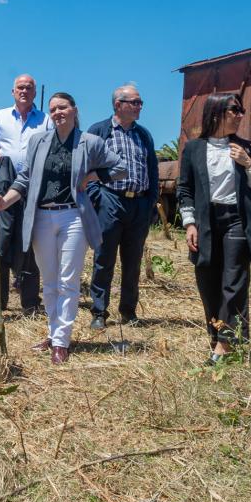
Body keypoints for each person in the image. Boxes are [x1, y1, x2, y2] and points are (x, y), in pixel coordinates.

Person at [0, 92, 126, 364]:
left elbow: (120, 167)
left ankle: (62, 341)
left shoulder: (90, 142)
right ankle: (54, 334)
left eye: (62, 107)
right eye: (52, 109)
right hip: (41, 216)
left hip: (73, 217)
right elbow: (25, 179)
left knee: (68, 280)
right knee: (49, 282)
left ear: (74, 109)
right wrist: (4, 201)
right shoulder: (38, 141)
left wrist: (94, 175)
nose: (57, 113)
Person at [177, 94, 251, 363]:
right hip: (205, 222)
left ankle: (224, 347)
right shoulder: (193, 149)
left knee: (234, 282)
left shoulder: (244, 147)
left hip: (236, 220)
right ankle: (218, 337)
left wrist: (248, 163)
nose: (240, 115)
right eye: (235, 110)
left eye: (242, 110)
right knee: (208, 282)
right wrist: (189, 222)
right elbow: (185, 189)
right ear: (216, 112)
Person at [0, 75, 50, 316]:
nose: (25, 91)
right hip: (2, 187)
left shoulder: (46, 121)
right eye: (21, 87)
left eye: (29, 88)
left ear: (35, 92)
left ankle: (30, 301)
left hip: (33, 189)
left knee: (29, 242)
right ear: (12, 91)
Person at [86, 84, 159, 330]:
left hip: (138, 203)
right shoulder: (99, 131)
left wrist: (150, 202)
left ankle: (128, 311)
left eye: (140, 103)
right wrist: (98, 198)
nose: (139, 107)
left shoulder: (144, 135)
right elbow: (86, 169)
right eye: (134, 102)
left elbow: (152, 170)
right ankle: (99, 312)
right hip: (110, 200)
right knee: (104, 258)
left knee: (133, 261)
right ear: (118, 104)